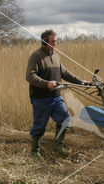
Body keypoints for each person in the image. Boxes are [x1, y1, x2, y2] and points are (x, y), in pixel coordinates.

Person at [25, 29, 86, 158]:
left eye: (56, 41)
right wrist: (47, 83)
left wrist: (80, 82)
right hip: (41, 98)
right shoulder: (36, 56)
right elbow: (30, 76)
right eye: (53, 41)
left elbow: (65, 73)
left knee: (65, 118)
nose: (55, 43)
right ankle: (34, 150)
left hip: (56, 97)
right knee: (40, 125)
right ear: (44, 41)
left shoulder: (56, 56)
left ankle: (58, 145)